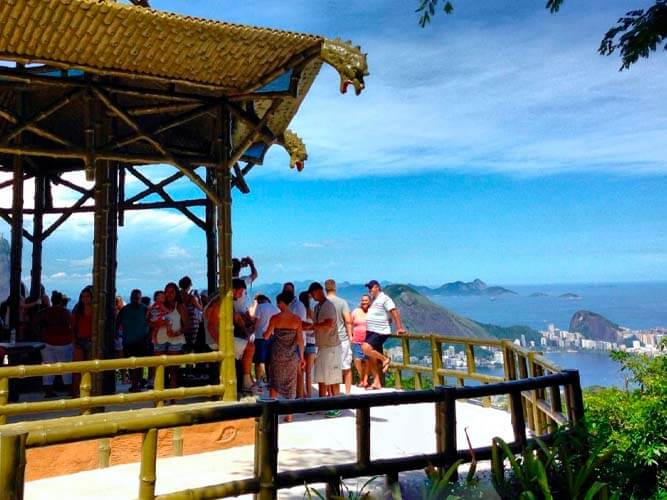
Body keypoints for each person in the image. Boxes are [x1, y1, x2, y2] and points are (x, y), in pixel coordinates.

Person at [263, 292, 304, 421]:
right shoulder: (296, 319)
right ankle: (289, 414)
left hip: (277, 355)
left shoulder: (275, 318)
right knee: (291, 384)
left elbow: (266, 336)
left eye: (278, 302)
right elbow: (300, 340)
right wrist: (302, 357)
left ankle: (272, 412)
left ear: (281, 303)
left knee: (275, 383)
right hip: (292, 356)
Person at [362, 280, 407, 390]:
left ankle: (385, 359)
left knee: (365, 348)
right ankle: (377, 382)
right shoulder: (374, 300)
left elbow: (393, 311)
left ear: (377, 287)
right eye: (369, 288)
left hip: (379, 331)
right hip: (371, 331)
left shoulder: (385, 298)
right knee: (372, 358)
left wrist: (399, 327)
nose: (369, 290)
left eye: (371, 288)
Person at [309, 282, 342, 417]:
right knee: (321, 377)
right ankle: (322, 404)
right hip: (321, 346)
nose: (312, 297)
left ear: (318, 291)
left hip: (331, 347)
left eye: (312, 294)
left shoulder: (328, 306)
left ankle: (336, 406)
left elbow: (328, 324)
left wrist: (312, 326)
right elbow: (318, 325)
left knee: (332, 378)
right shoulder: (317, 307)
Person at [150, 282, 188, 390]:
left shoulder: (180, 306)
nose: (169, 294)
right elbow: (149, 321)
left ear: (176, 293)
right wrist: (158, 324)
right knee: (160, 368)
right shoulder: (158, 306)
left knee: (173, 370)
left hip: (175, 339)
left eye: (172, 292)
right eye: (167, 292)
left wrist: (176, 333)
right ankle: (160, 397)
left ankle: (172, 399)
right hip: (160, 339)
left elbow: (186, 326)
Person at [37, 291, 74, 397]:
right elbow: (72, 325)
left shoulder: (45, 312)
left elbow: (35, 322)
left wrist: (40, 335)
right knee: (66, 367)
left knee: (48, 367)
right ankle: (69, 390)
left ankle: (48, 391)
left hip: (47, 342)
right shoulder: (65, 312)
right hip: (64, 342)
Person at [117, 289, 150, 392]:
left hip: (141, 341)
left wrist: (148, 337)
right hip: (128, 341)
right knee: (131, 365)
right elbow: (117, 323)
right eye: (133, 298)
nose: (135, 300)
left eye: (137, 298)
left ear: (140, 298)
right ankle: (134, 384)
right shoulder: (125, 310)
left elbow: (151, 324)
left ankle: (136, 385)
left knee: (139, 365)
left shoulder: (145, 309)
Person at [324, 279, 353, 394]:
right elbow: (348, 320)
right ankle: (347, 394)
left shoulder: (322, 304)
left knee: (331, 371)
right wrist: (350, 335)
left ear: (325, 289)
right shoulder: (343, 302)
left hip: (328, 341)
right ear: (335, 287)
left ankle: (333, 397)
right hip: (342, 339)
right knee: (346, 368)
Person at [250, 294, 279, 387]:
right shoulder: (274, 308)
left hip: (260, 337)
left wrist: (250, 332)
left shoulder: (260, 307)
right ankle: (269, 380)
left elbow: (257, 323)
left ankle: (258, 381)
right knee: (269, 361)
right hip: (272, 336)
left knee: (258, 361)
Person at [71, 286, 93, 396]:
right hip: (80, 341)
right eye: (83, 296)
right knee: (77, 369)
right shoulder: (78, 310)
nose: (85, 299)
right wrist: (75, 340)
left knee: (90, 369)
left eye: (88, 296)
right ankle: (75, 392)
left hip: (91, 341)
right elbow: (73, 327)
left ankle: (88, 392)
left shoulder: (96, 310)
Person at [299, 291, 316, 398]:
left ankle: (302, 393)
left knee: (301, 371)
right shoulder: (311, 312)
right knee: (309, 373)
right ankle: (309, 395)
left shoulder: (298, 312)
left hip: (301, 342)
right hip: (311, 342)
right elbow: (316, 326)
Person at [351, 294, 370, 388]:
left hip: (368, 341)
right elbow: (350, 323)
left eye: (366, 300)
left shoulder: (372, 312)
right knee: (357, 360)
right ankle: (362, 377)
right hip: (356, 340)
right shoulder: (356, 311)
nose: (364, 302)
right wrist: (350, 335)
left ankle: (365, 380)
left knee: (367, 360)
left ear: (369, 301)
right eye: (362, 300)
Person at [179, 276, 202, 351]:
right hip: (191, 324)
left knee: (181, 345)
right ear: (189, 285)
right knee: (190, 345)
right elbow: (200, 308)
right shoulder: (190, 297)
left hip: (180, 323)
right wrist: (198, 298)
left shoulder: (178, 297)